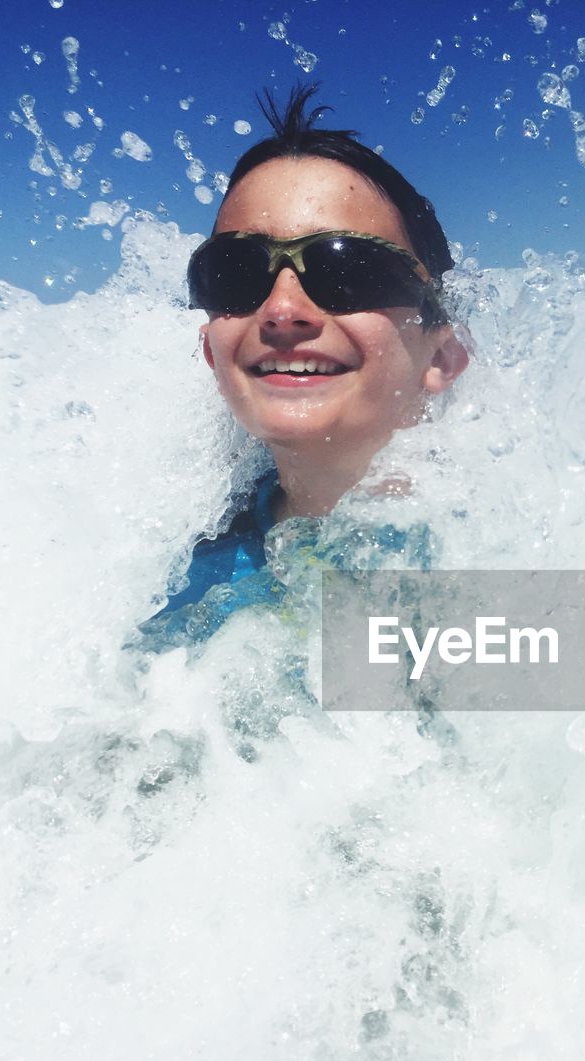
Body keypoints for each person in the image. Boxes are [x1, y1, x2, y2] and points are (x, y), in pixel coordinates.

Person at [142, 83, 468, 648]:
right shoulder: (154, 572)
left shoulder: (526, 555)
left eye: (348, 270)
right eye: (236, 271)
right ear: (211, 351)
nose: (283, 310)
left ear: (441, 354)